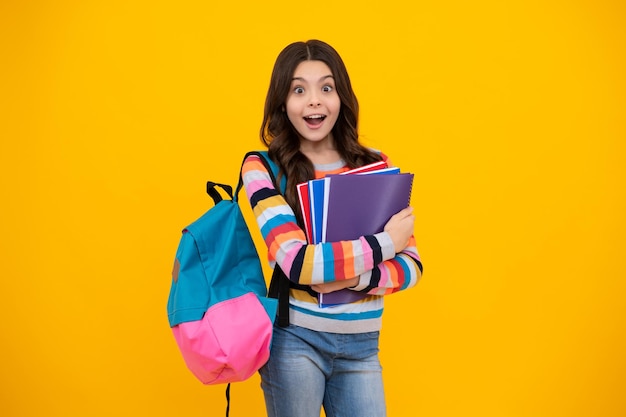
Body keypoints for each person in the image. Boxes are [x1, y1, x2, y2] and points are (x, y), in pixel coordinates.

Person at [241, 39, 423, 417]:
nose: (314, 101)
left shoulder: (375, 166)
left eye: (326, 87)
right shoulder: (263, 168)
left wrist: (346, 280)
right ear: (282, 101)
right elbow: (297, 264)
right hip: (294, 343)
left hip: (362, 346)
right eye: (298, 89)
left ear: (341, 97)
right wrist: (385, 243)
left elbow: (412, 267)